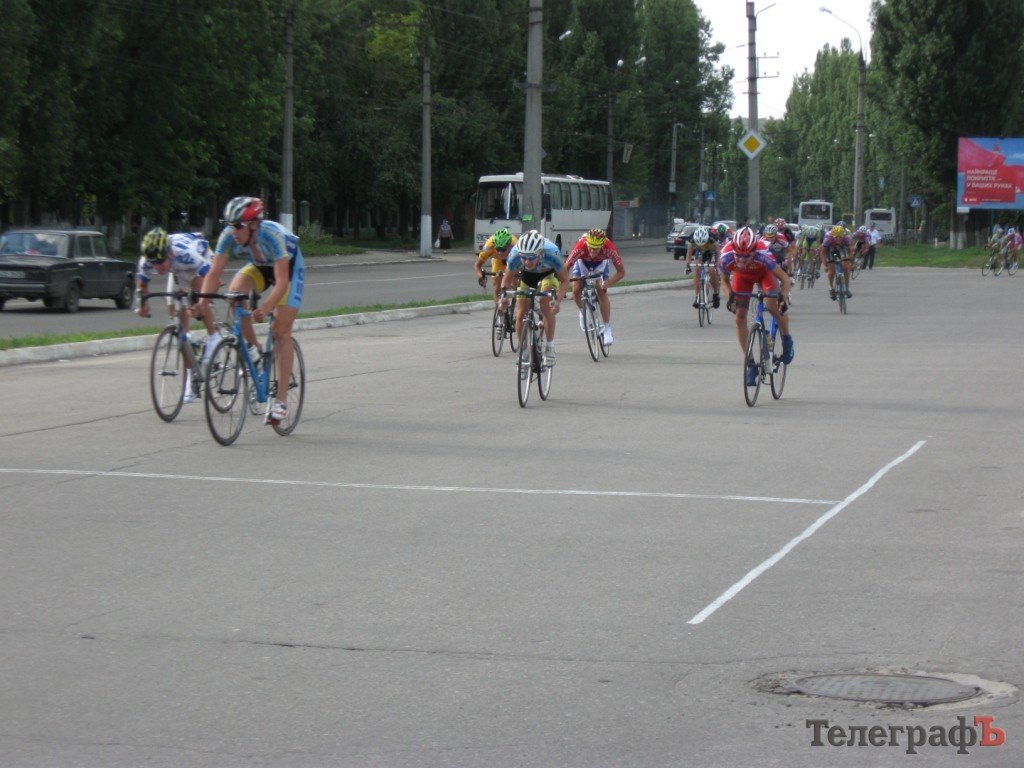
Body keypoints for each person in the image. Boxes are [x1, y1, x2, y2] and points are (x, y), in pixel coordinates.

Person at [196, 197, 304, 425]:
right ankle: (255, 353)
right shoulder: (228, 236)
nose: (232, 231)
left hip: (288, 269)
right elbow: (214, 273)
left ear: (254, 224)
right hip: (260, 266)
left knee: (280, 329)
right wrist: (203, 303)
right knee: (235, 294)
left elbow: (282, 281)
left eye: (237, 226)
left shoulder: (272, 236)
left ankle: (281, 402)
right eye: (229, 225)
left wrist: (266, 306)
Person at [136, 227, 220, 403]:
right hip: (178, 269)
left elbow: (210, 277)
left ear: (169, 254)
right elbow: (142, 286)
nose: (157, 267)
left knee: (198, 296)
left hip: (201, 260)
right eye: (153, 263)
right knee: (175, 313)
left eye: (160, 262)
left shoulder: (185, 254)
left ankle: (214, 337)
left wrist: (201, 302)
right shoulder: (148, 259)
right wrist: (143, 304)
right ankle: (191, 375)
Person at [718, 226, 794, 387]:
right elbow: (724, 281)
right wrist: (730, 295)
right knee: (739, 317)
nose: (742, 260)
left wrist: (783, 297)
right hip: (742, 278)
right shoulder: (725, 256)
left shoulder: (763, 254)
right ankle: (751, 365)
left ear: (755, 251)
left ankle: (787, 339)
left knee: (772, 305)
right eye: (738, 256)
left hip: (764, 275)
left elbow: (785, 279)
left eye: (747, 256)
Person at [498, 229, 569, 366]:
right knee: (520, 314)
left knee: (545, 304)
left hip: (548, 273)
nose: (527, 261)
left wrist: (557, 300)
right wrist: (503, 298)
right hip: (527, 276)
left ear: (540, 253)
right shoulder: (515, 255)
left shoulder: (552, 253)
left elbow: (565, 280)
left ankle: (549, 347)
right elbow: (506, 282)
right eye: (524, 257)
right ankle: (524, 350)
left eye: (531, 257)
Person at [565, 227, 625, 346]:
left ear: (602, 246)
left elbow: (621, 272)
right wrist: (565, 283)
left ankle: (607, 328)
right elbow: (565, 267)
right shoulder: (580, 246)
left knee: (601, 290)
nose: (592, 251)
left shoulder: (609, 248)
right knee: (576, 289)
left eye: (596, 249)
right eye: (590, 247)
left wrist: (609, 282)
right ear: (587, 243)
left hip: (601, 263)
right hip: (582, 262)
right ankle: (583, 312)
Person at [474, 227, 517, 303]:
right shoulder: (488, 247)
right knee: (497, 287)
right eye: (497, 249)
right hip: (497, 261)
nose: (500, 252)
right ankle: (500, 312)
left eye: (503, 249)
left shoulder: (515, 246)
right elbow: (477, 265)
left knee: (516, 284)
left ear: (509, 246)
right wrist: (481, 277)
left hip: (513, 260)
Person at [684, 225, 720, 309]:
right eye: (699, 244)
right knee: (697, 269)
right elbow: (689, 254)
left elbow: (718, 252)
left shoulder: (712, 238)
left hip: (711, 252)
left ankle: (715, 294)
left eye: (703, 243)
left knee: (711, 270)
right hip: (699, 253)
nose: (701, 245)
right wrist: (688, 265)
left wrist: (717, 263)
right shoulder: (692, 238)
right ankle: (697, 297)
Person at [822, 224, 853, 300]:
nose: (838, 239)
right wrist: (825, 265)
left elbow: (850, 250)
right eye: (836, 237)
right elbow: (822, 252)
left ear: (843, 236)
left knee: (846, 268)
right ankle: (831, 288)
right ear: (833, 236)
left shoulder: (846, 238)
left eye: (840, 237)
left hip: (842, 248)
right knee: (832, 271)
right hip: (830, 249)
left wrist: (849, 260)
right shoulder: (828, 239)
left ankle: (846, 288)